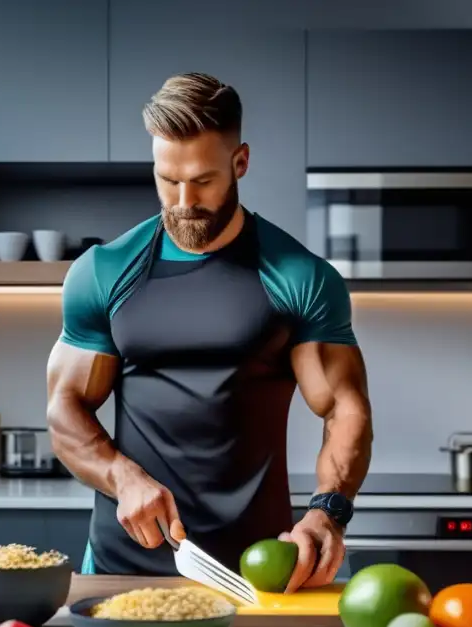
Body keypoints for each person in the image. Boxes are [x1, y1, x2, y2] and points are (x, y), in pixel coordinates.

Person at [46, 72, 373, 593]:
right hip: (123, 566)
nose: (181, 200)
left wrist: (328, 511)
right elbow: (65, 408)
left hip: (258, 570)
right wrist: (123, 478)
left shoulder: (298, 276)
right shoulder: (104, 271)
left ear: (240, 163)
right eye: (167, 179)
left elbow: (344, 406)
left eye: (201, 181)